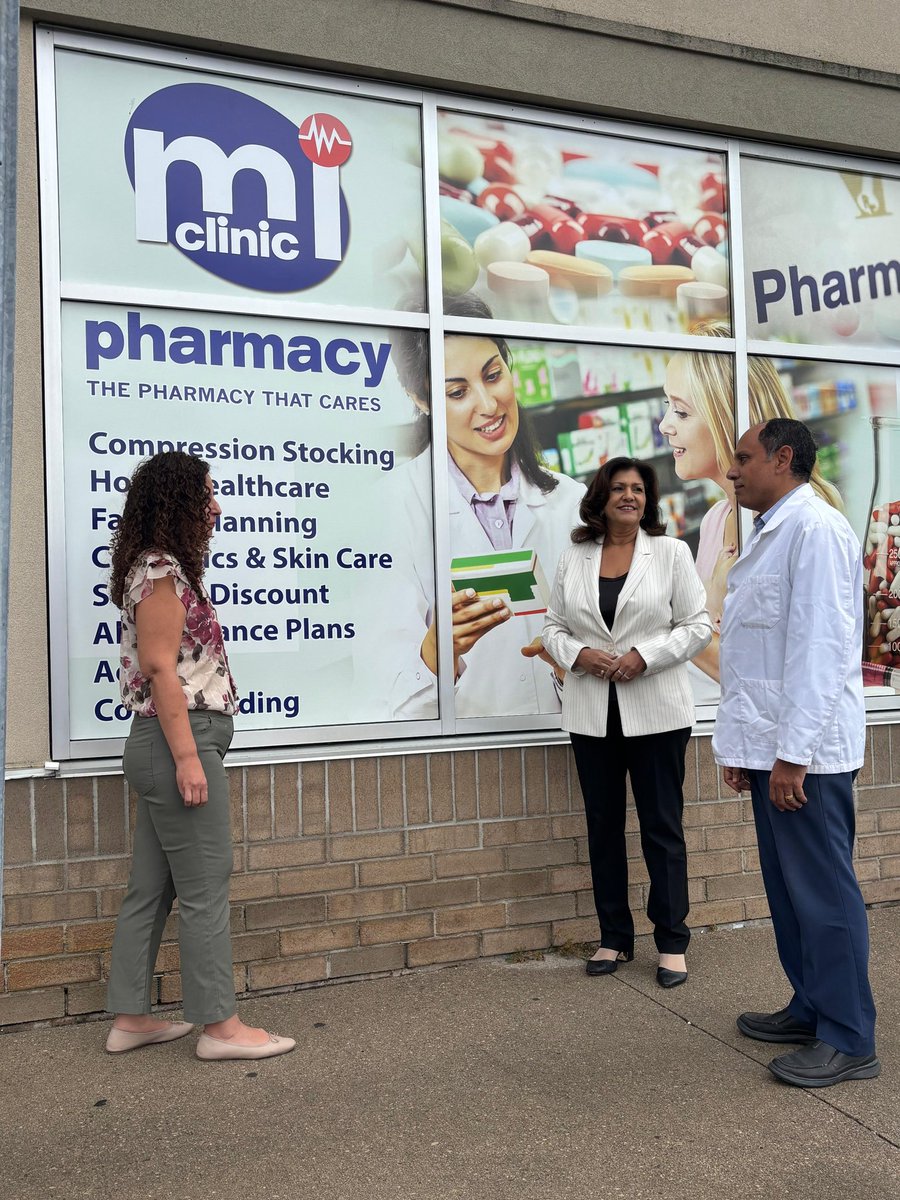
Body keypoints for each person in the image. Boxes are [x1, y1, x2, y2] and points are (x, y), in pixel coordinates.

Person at [105, 451, 295, 1061]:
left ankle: (130, 1018)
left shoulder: (155, 569)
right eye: (206, 495)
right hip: (177, 743)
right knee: (207, 885)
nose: (216, 506)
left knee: (152, 888)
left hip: (164, 743)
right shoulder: (159, 571)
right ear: (177, 502)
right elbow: (162, 668)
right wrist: (189, 758)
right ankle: (221, 1027)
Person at [714, 419, 878, 1088]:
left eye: (745, 458)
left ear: (784, 459)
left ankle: (849, 1038)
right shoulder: (775, 531)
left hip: (806, 757)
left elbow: (819, 650)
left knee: (824, 895)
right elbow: (756, 657)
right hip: (773, 749)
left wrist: (790, 756)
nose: (733, 470)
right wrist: (744, 749)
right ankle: (811, 1006)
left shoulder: (816, 531)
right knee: (789, 894)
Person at [542, 457, 712, 986]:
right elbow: (551, 627)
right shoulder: (575, 556)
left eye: (638, 489)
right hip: (593, 714)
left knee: (662, 828)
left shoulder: (670, 552)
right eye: (619, 488)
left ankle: (672, 943)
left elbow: (698, 626)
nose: (629, 496)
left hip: (657, 712)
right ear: (601, 496)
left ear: (648, 499)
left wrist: (646, 654)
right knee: (603, 828)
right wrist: (579, 655)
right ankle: (613, 937)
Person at [386, 293, 585, 718]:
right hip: (458, 765)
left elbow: (612, 672)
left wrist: (572, 669)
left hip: (567, 753)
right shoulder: (392, 510)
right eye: (457, 392)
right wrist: (436, 653)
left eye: (493, 375)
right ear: (420, 400)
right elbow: (385, 698)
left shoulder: (573, 505)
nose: (489, 405)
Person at [659, 322, 841, 693]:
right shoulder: (717, 519)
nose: (665, 426)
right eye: (667, 407)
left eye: (681, 412)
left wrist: (666, 619)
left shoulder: (802, 524)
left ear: (727, 418)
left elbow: (779, 673)